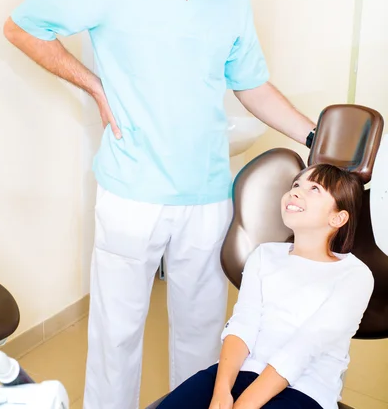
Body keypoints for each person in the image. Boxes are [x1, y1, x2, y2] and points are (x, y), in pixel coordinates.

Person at [3, 0, 317, 409]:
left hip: (207, 194)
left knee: (202, 342)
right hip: (131, 191)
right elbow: (23, 26)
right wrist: (94, 84)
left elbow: (251, 84)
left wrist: (314, 135)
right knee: (116, 338)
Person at [155, 164, 374, 409]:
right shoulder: (264, 255)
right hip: (244, 372)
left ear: (338, 217)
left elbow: (304, 347)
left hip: (305, 388)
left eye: (314, 188)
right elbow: (243, 324)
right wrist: (221, 391)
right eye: (295, 185)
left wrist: (245, 404)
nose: (296, 192)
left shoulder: (355, 275)